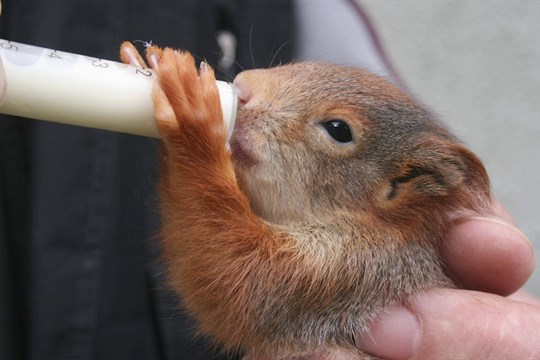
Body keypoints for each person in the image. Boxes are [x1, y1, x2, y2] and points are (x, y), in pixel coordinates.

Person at [0, 1, 536, 360]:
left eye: (334, 130)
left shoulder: (363, 252)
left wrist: (194, 148)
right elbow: (215, 279)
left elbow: (237, 288)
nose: (247, 89)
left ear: (397, 186)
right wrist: (191, 147)